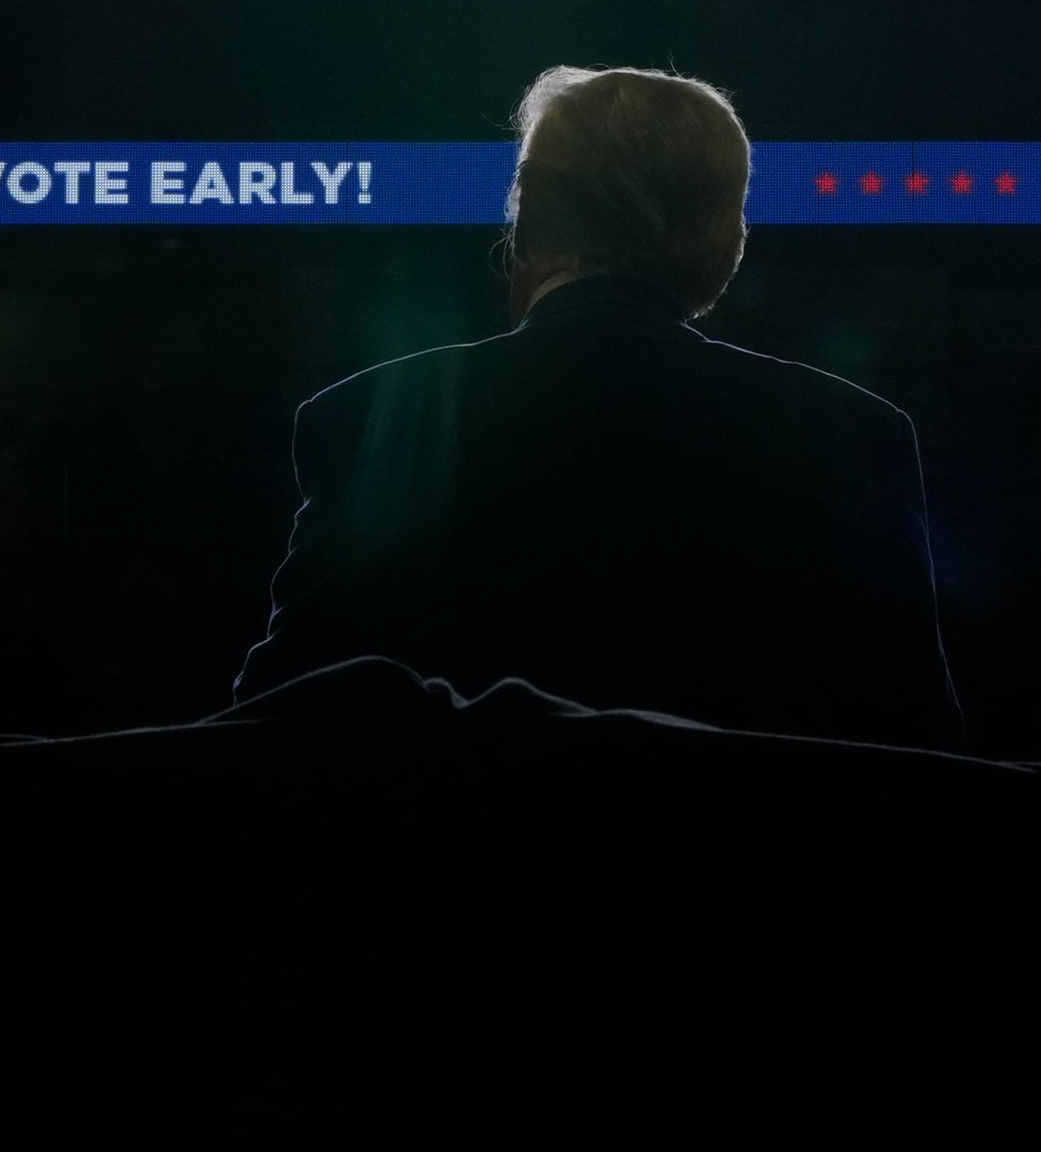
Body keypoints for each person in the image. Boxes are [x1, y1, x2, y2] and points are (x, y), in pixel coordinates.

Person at [234, 66, 967, 750]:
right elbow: (921, 753)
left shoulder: (372, 422)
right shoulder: (852, 439)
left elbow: (272, 725)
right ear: (725, 245)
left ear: (527, 221)